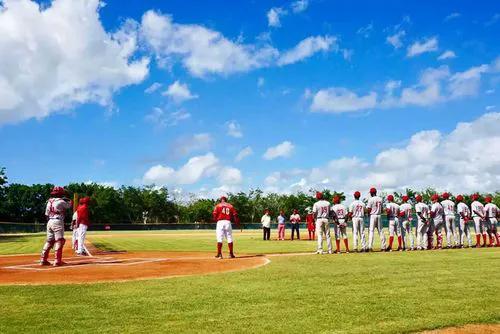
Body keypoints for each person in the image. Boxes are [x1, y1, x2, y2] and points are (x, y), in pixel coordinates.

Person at [40, 186, 72, 266]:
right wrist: (68, 197)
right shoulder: (61, 201)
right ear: (60, 194)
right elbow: (70, 205)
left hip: (49, 221)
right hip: (57, 221)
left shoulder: (49, 201)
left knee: (49, 241)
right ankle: (57, 261)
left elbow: (46, 215)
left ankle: (43, 259)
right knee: (60, 240)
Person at [367, 187, 386, 251]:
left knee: (371, 231)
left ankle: (370, 247)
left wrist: (367, 213)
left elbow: (369, 209)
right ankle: (383, 247)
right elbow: (382, 209)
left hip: (373, 216)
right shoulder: (380, 199)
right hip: (379, 215)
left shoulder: (371, 199)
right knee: (381, 231)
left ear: (372, 193)